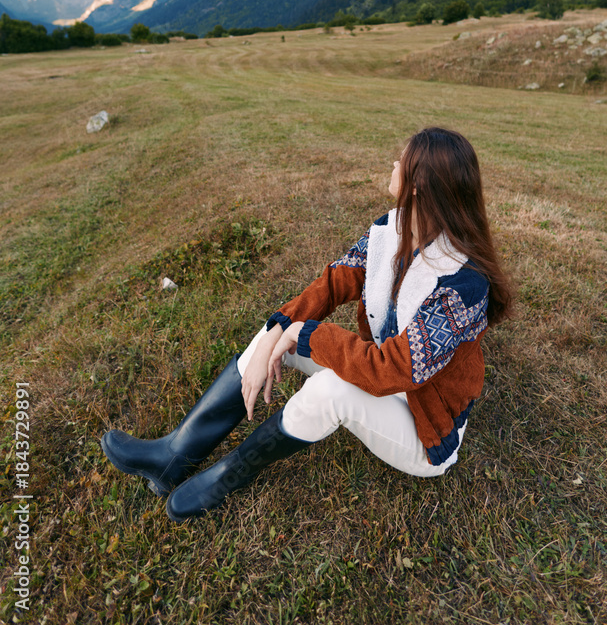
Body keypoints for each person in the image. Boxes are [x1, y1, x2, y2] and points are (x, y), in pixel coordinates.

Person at [100, 126, 514, 522]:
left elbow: (393, 370)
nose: (393, 163)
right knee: (277, 333)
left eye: (401, 160)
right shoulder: (394, 230)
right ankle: (172, 457)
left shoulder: (463, 284)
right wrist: (276, 334)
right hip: (387, 379)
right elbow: (334, 283)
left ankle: (227, 477)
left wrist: (306, 334)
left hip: (424, 423)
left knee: (330, 389)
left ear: (420, 183)